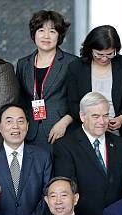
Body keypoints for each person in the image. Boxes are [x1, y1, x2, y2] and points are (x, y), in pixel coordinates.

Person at [52, 92, 122, 215]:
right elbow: (68, 189)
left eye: (105, 115)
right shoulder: (65, 146)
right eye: (95, 116)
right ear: (82, 116)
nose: (102, 121)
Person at [67, 25, 122, 146]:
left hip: (121, 130)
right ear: (90, 49)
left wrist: (121, 118)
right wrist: (94, 122)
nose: (104, 59)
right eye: (99, 54)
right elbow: (73, 104)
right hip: (87, 129)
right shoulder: (76, 68)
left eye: (110, 54)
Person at [16, 10, 77, 151]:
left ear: (59, 36)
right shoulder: (23, 64)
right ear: (34, 34)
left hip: (61, 131)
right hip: (30, 133)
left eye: (52, 31)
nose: (46, 36)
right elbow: (21, 100)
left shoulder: (72, 63)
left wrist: (65, 122)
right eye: (41, 30)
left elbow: (79, 99)